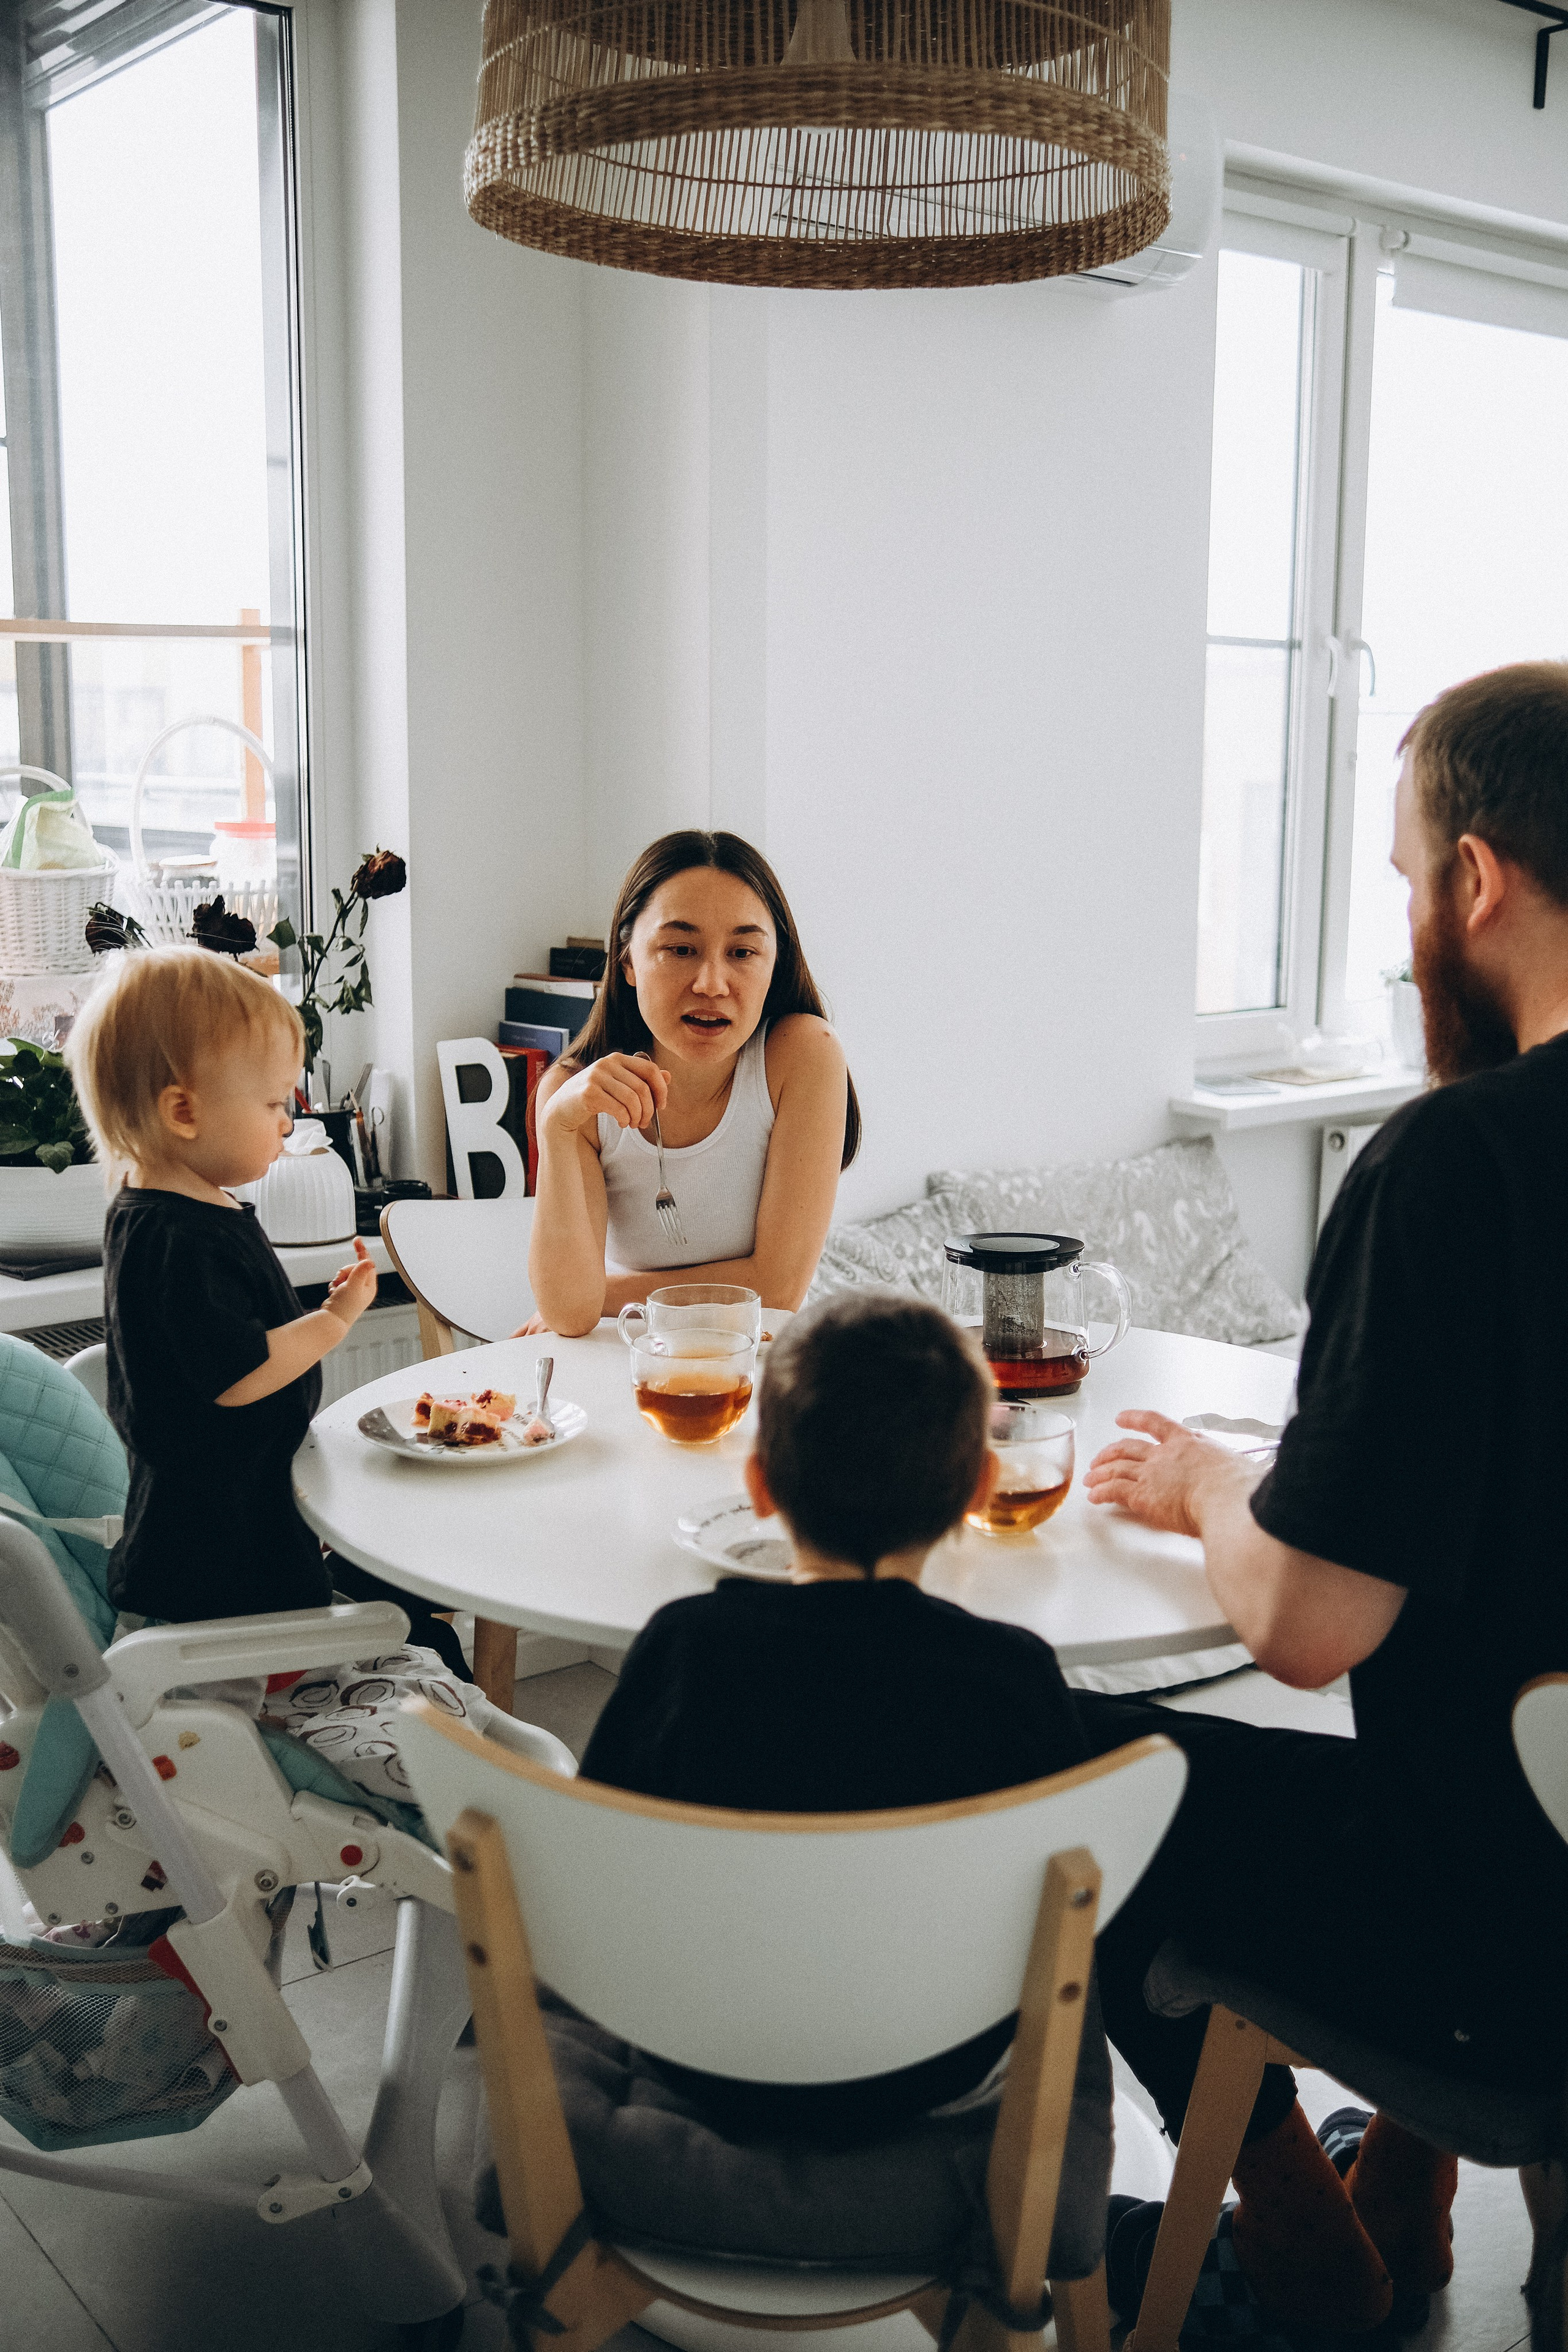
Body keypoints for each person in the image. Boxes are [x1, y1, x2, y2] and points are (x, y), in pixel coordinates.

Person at [1078, 660, 1568, 2335]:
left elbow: (1305, 1624)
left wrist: (1214, 1483)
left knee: (1080, 1779)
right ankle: (1409, 2180)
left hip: (1505, 1950)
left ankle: (1297, 2232)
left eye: (1404, 881)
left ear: (1478, 881)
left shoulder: (1456, 1171)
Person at [581, 1290, 1091, 2140]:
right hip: (941, 2067)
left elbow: (600, 1869)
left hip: (701, 2057)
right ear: (980, 1486)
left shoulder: (686, 1646)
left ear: (760, 1487)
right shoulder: (1016, 1676)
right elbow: (1063, 1908)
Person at [64, 945, 473, 1684]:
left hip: (248, 1508)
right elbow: (237, 1370)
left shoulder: (194, 1210)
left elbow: (225, 1329)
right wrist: (335, 1320)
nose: (288, 1122)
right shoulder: (171, 1235)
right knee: (395, 1637)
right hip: (221, 1557)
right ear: (183, 1111)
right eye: (275, 1103)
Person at [527, 831, 857, 1335]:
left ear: (775, 965)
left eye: (743, 953)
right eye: (680, 949)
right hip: (629, 1363)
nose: (711, 983)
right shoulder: (573, 1097)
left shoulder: (804, 1054)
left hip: (762, 1365)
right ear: (628, 963)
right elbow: (571, 1315)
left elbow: (777, 1288)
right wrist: (556, 1127)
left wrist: (604, 1296)